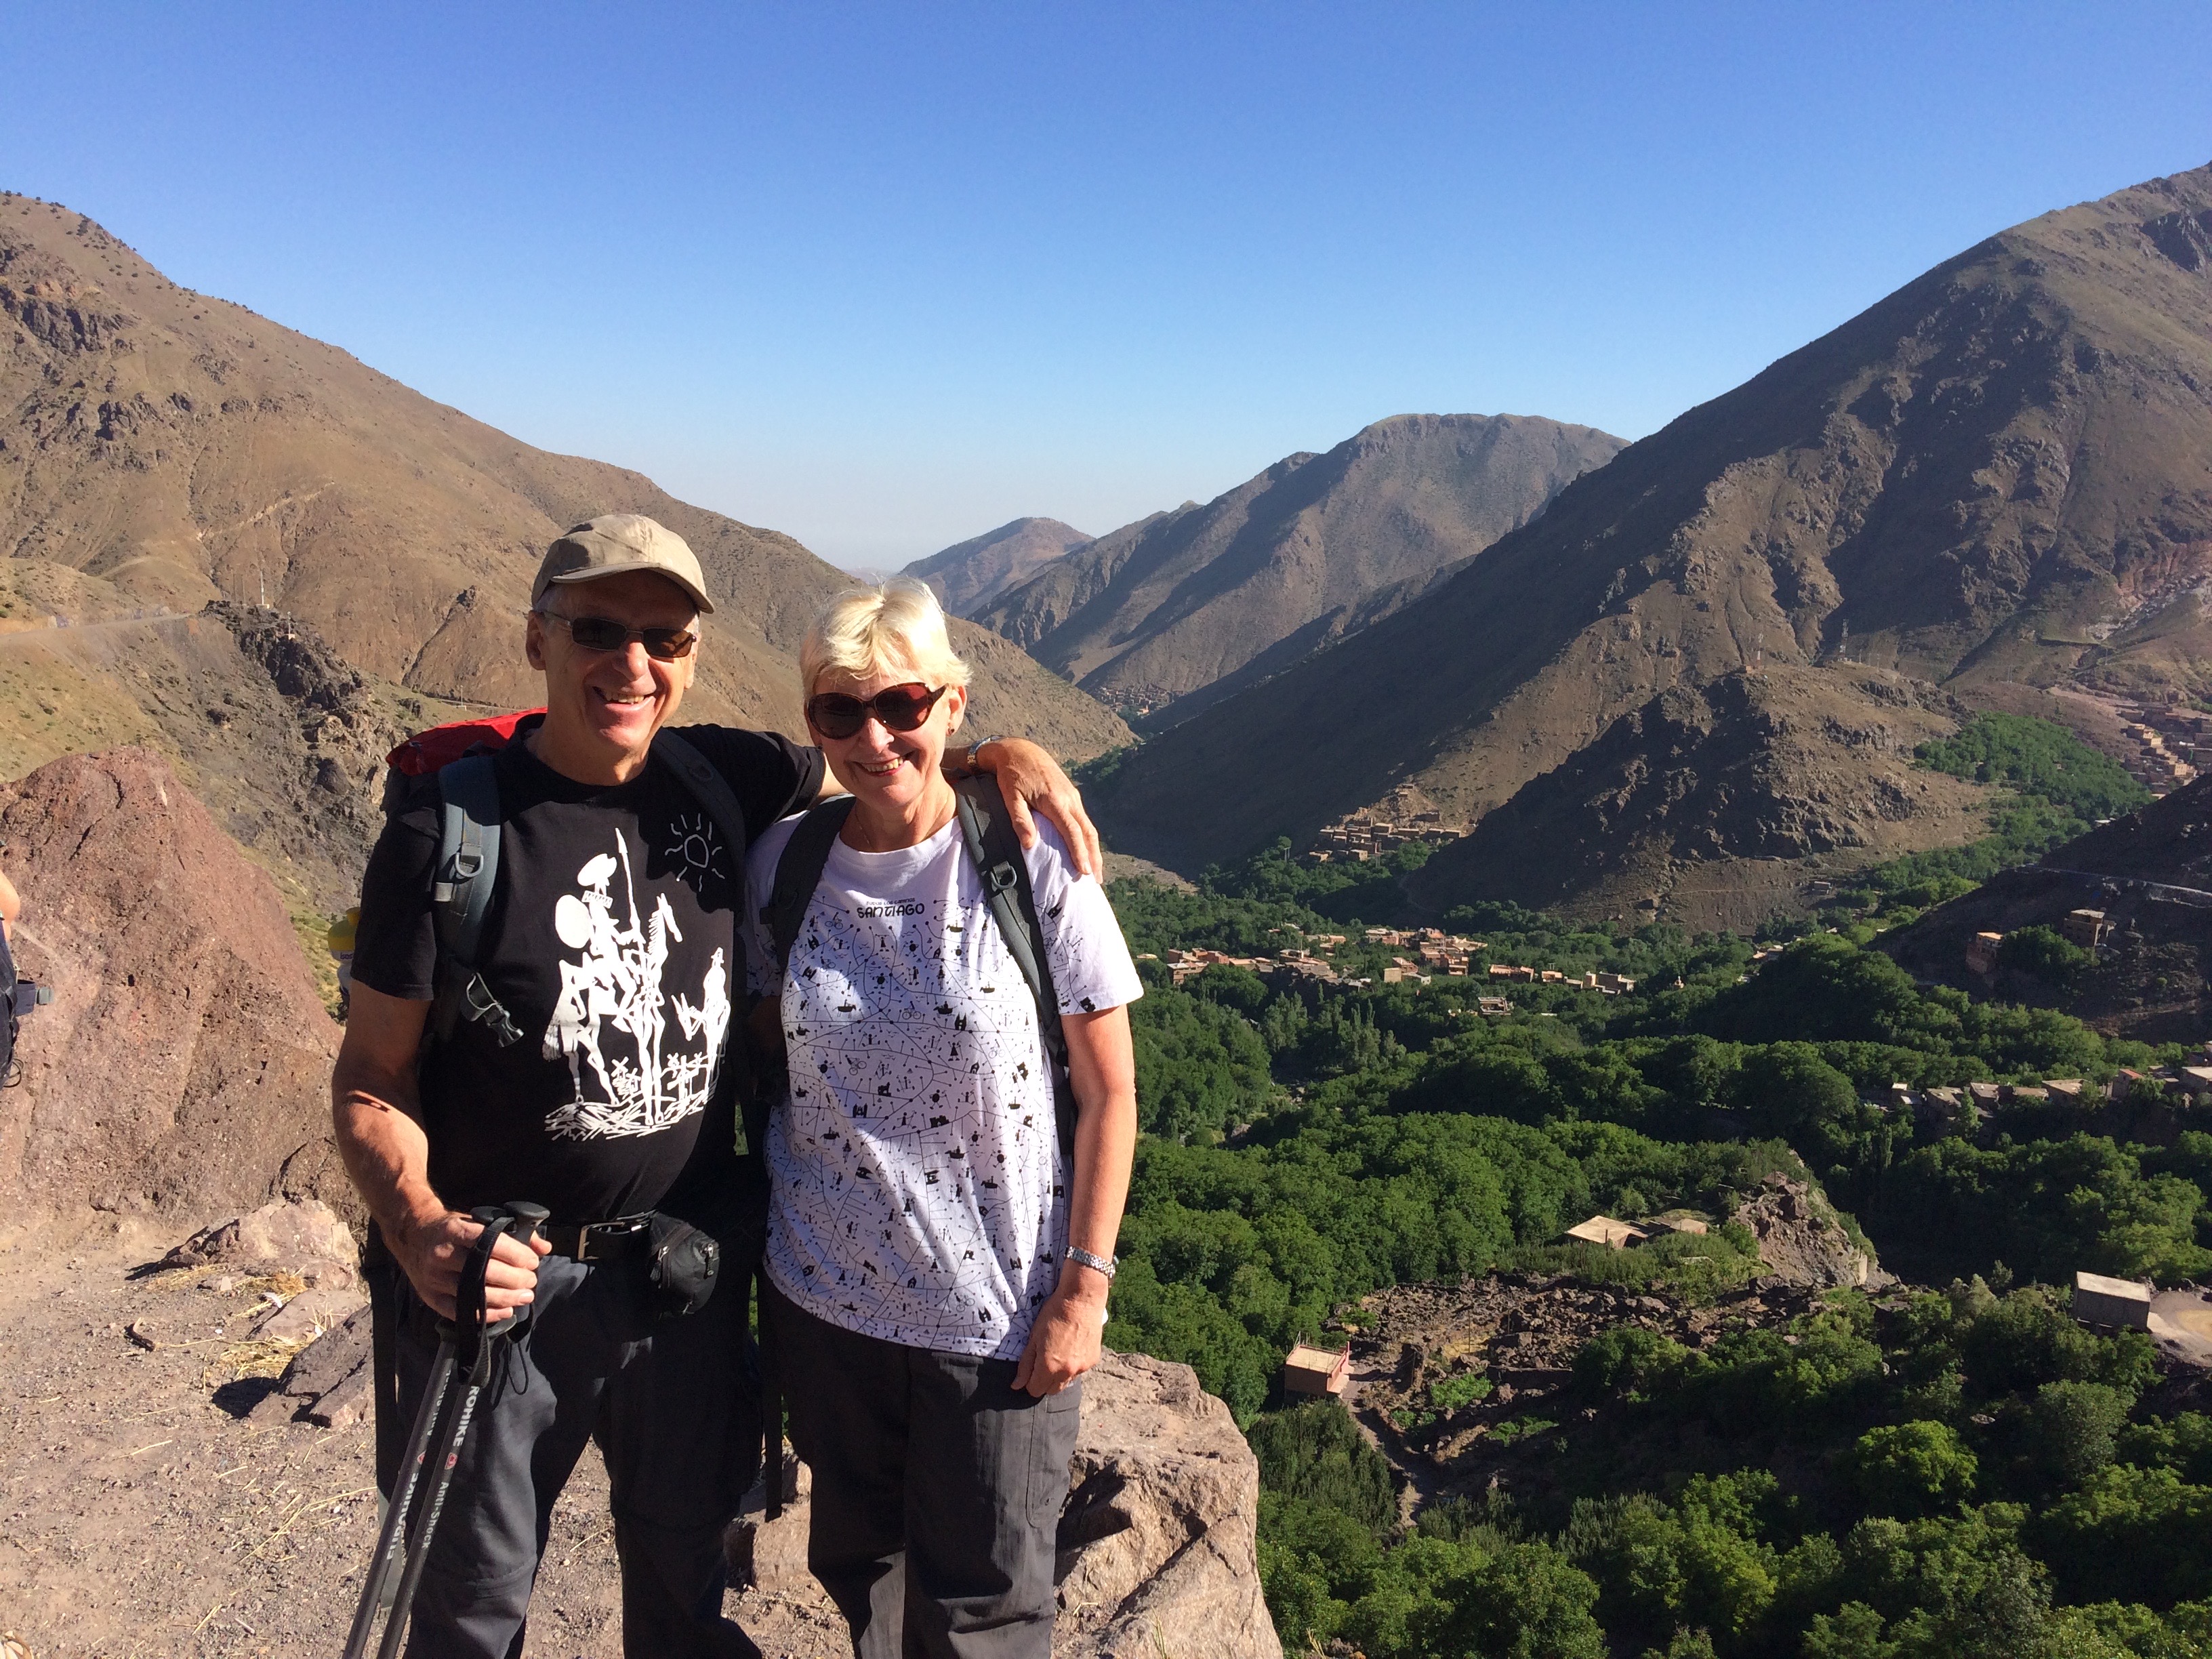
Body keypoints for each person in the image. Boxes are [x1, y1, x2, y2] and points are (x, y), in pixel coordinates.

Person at [331, 516, 1099, 1659]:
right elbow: (370, 1077)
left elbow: (881, 751)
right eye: (598, 630)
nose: (632, 664)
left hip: (680, 1282)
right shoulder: (450, 835)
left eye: (664, 638)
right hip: (501, 1288)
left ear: (692, 657)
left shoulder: (725, 777)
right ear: (537, 638)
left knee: (685, 1581)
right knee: (469, 1608)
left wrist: (996, 754)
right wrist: (416, 1226)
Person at [745, 579, 1141, 1658]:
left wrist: (1085, 1291)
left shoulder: (1029, 857)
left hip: (995, 1320)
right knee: (862, 1581)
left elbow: (1110, 1093)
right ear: (813, 722)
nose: (873, 737)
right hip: (825, 1304)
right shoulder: (786, 864)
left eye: (903, 706)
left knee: (986, 1615)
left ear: (951, 704)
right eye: (841, 711)